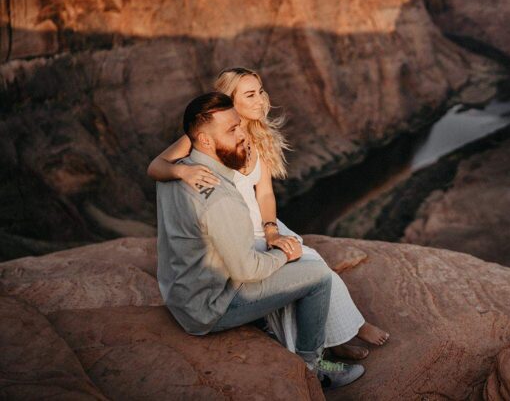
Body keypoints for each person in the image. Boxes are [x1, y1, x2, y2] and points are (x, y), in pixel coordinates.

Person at [148, 67, 389, 361]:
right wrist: (180, 171)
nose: (261, 99)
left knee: (311, 260)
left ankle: (334, 338)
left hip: (260, 224)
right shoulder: (208, 137)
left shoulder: (255, 137)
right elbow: (156, 167)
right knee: (309, 270)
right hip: (235, 231)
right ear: (229, 101)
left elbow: (264, 193)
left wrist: (272, 228)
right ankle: (316, 361)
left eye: (261, 91)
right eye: (250, 94)